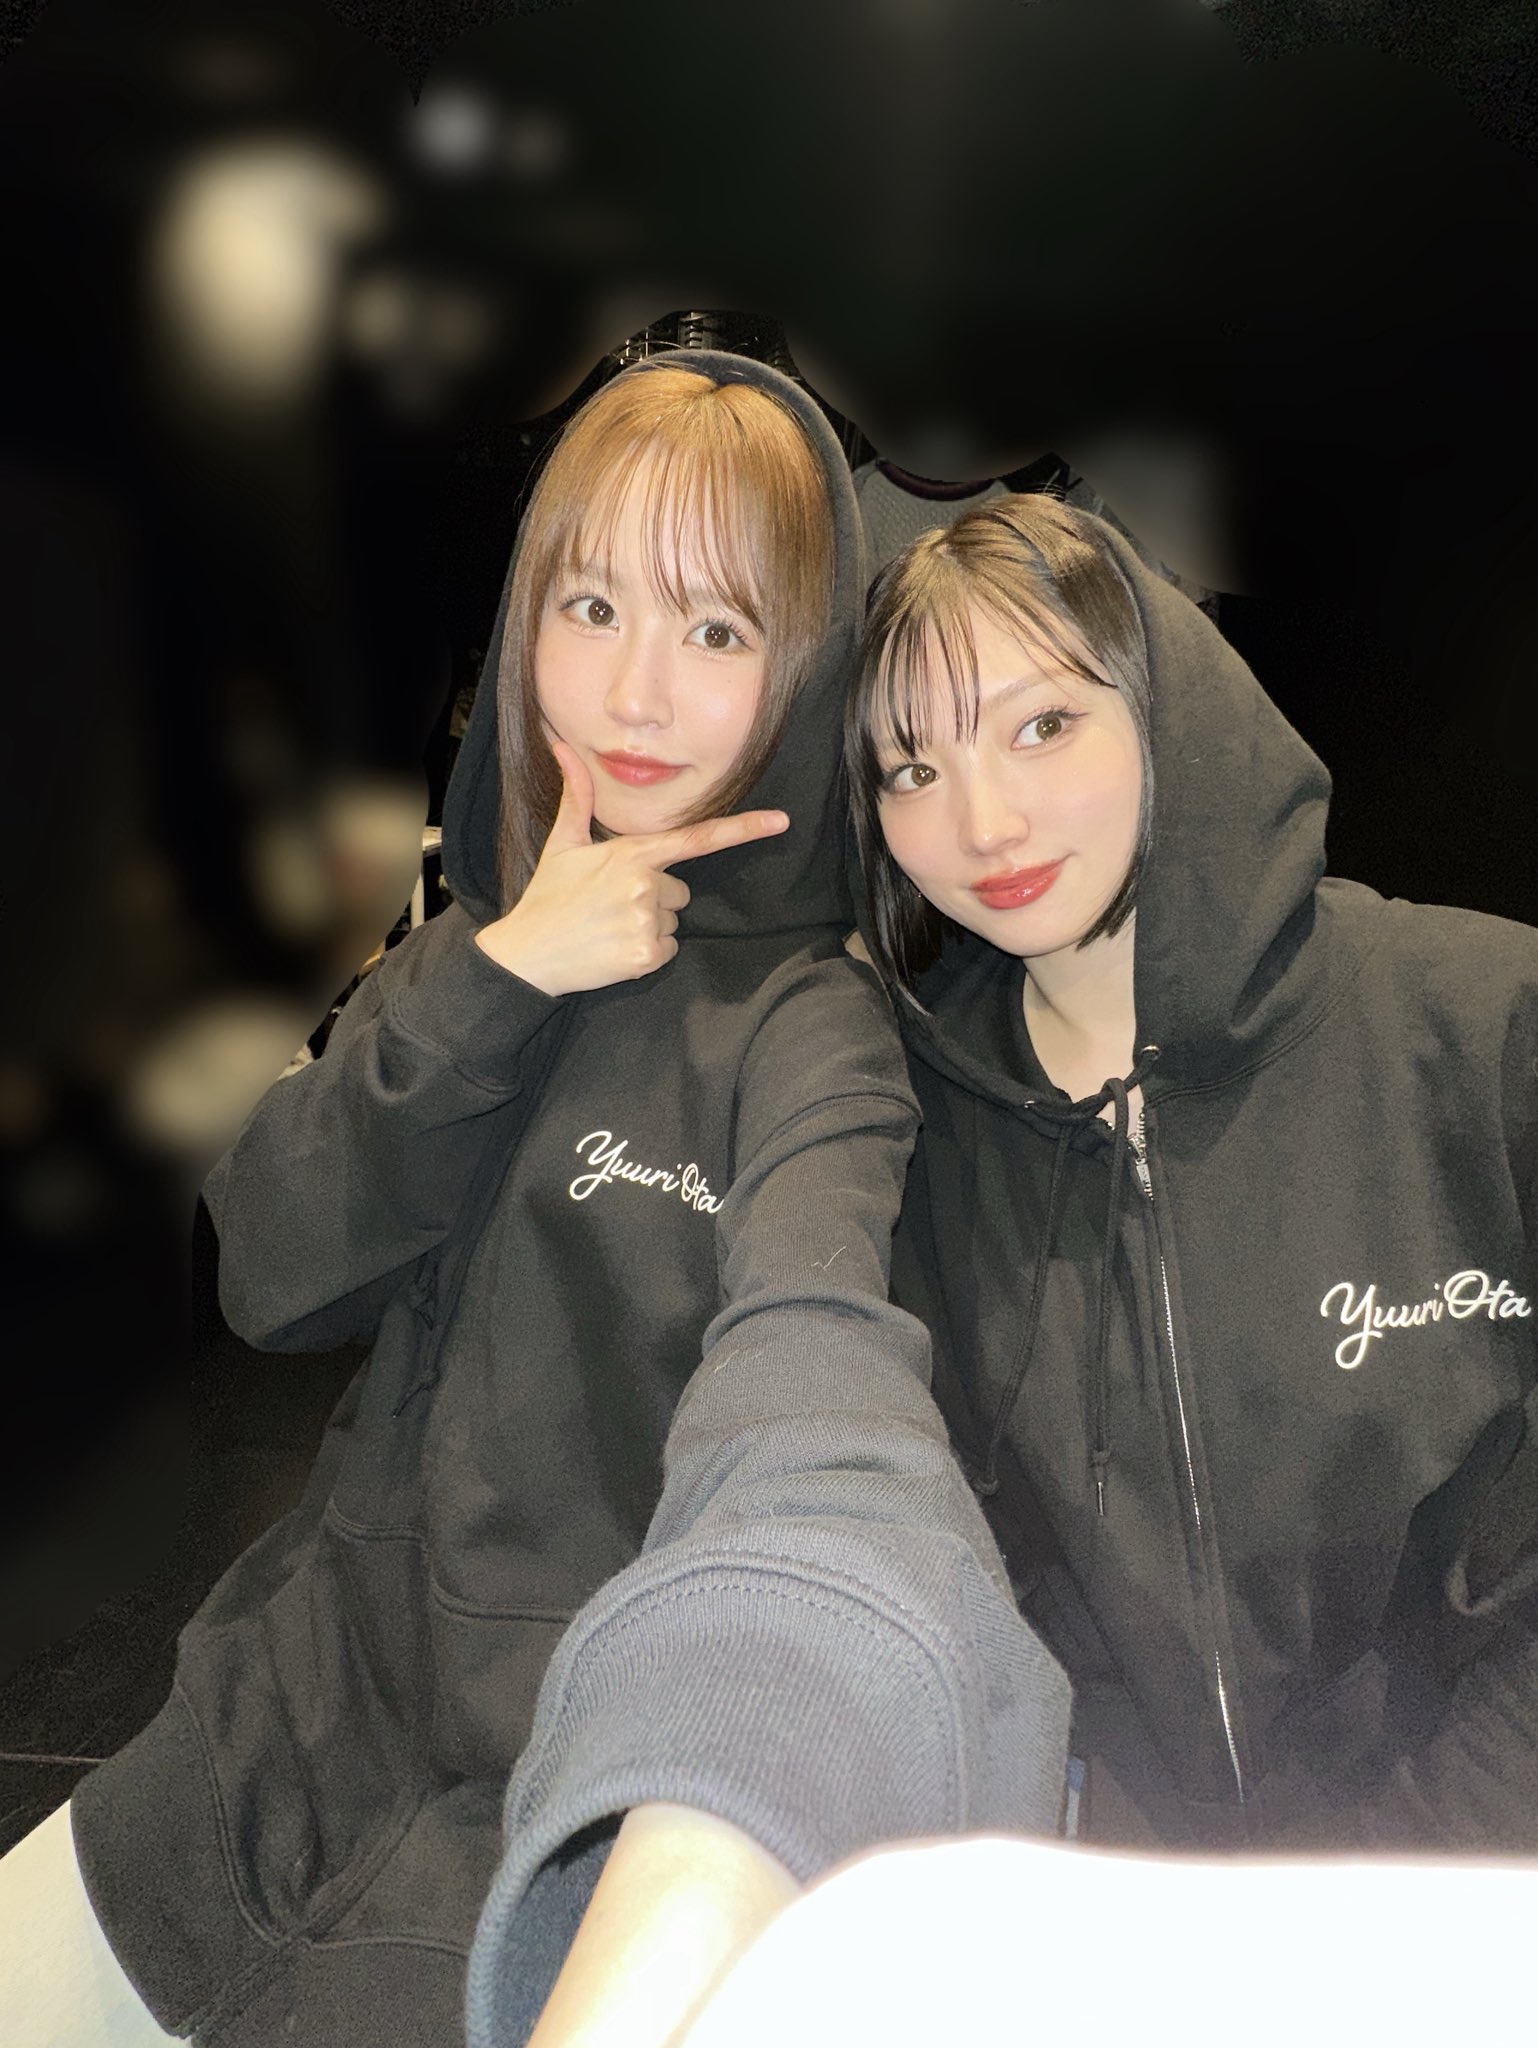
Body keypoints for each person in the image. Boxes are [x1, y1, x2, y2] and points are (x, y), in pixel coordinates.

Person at [40, 355, 1067, 2047]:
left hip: (546, 1821)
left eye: (716, 630)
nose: (635, 694)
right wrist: (503, 973)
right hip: (273, 1732)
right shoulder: (478, 944)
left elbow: (814, 1343)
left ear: (803, 670)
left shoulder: (811, 1025)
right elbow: (272, 1278)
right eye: (591, 607)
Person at [841, 492, 1538, 1851]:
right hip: (1136, 1893)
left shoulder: (1480, 1025)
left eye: (1042, 725)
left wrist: (1399, 1877)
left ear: (1168, 709)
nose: (982, 821)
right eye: (911, 769)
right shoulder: (908, 1135)